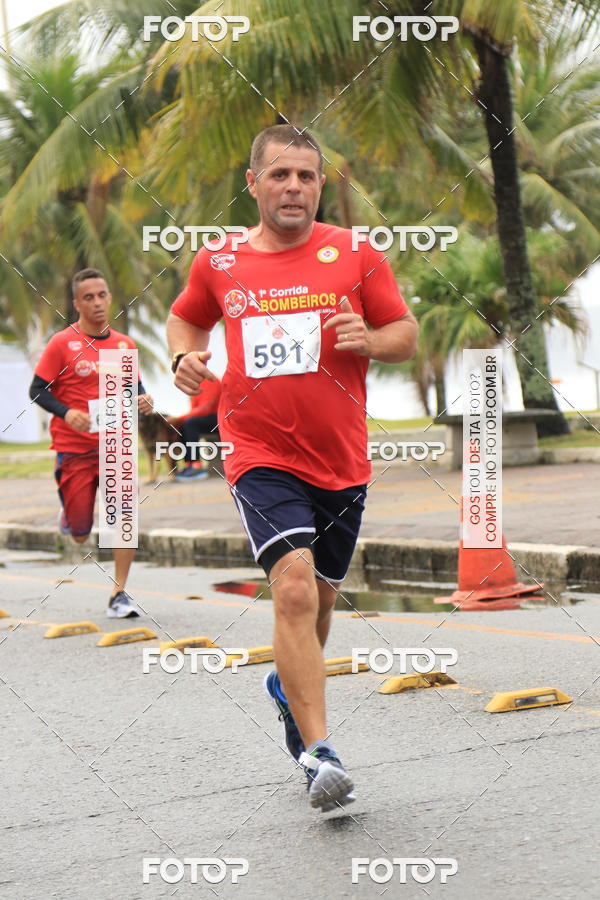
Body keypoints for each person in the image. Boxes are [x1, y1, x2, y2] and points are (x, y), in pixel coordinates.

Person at [166, 125, 418, 811]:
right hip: (259, 453)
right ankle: (319, 753)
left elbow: (404, 332)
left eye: (306, 176)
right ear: (253, 183)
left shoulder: (357, 254)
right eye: (280, 175)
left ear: (320, 184)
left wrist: (372, 338)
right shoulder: (218, 262)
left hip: (341, 459)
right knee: (296, 591)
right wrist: (183, 357)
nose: (294, 188)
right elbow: (186, 319)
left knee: (321, 603)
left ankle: (287, 688)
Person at [30, 268, 153, 618]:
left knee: (123, 519)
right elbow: (37, 390)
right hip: (75, 448)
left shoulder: (124, 345)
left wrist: (144, 401)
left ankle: (120, 592)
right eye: (89, 297)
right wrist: (67, 413)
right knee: (81, 534)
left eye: (102, 295)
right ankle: (70, 516)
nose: (97, 303)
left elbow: (134, 390)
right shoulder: (62, 344)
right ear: (76, 304)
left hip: (116, 446)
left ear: (109, 297)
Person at [167, 376, 221, 481]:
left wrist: (179, 418)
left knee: (190, 422)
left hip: (219, 419)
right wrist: (179, 421)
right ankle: (189, 465)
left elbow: (206, 408)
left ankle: (197, 466)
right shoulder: (195, 386)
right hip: (205, 420)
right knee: (182, 425)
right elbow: (194, 410)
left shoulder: (210, 380)